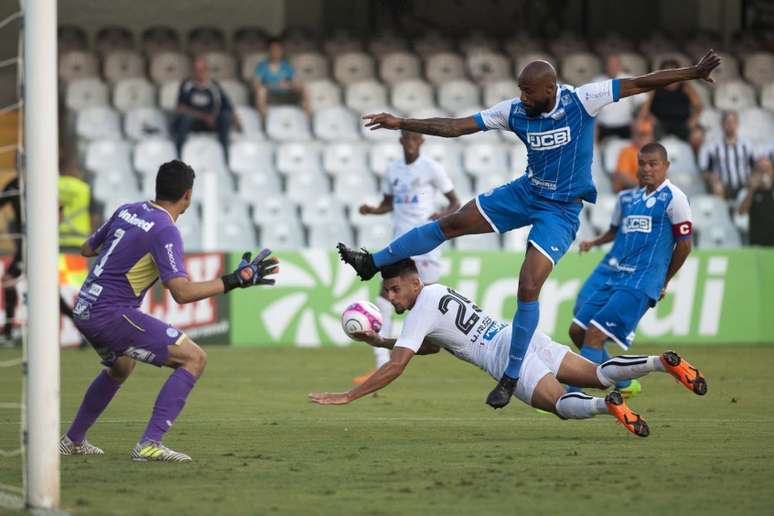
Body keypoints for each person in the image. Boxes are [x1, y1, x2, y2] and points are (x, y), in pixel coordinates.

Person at [337, 50, 720, 410]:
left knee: (528, 284)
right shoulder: (515, 111)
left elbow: (638, 83)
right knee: (448, 224)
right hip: (526, 192)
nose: (521, 97)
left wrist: (692, 73)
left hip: (561, 209)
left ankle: (512, 374)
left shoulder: (583, 99)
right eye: (520, 90)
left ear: (549, 90)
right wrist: (402, 122)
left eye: (527, 91)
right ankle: (372, 262)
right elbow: (457, 127)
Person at [309, 259, 707, 439]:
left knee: (562, 406)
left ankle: (609, 407)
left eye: (394, 289)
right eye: (387, 294)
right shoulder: (438, 292)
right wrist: (378, 339)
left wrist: (349, 395)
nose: (392, 299)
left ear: (413, 281)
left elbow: (398, 367)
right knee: (597, 373)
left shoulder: (418, 309)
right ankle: (660, 362)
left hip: (503, 358)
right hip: (520, 336)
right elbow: (431, 347)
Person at [58, 160, 279, 462]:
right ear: (187, 195)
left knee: (122, 366)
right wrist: (234, 281)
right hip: (109, 313)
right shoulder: (165, 229)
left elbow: (87, 249)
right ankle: (150, 444)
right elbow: (182, 293)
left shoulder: (128, 210)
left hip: (84, 307)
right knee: (194, 358)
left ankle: (73, 440)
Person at [569, 143, 694, 383]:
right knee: (577, 330)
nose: (647, 169)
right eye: (642, 164)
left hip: (641, 281)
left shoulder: (674, 198)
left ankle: (571, 393)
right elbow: (618, 233)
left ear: (666, 166)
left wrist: (663, 281)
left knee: (594, 334)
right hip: (617, 276)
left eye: (653, 164)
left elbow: (685, 246)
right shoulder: (634, 199)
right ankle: (623, 382)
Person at [353, 130, 460, 384]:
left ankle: (458, 347)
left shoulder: (432, 168)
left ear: (421, 142)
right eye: (407, 139)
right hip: (399, 247)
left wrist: (442, 213)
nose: (411, 144)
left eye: (415, 139)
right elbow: (389, 203)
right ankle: (382, 364)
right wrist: (373, 209)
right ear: (401, 141)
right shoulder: (393, 170)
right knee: (383, 301)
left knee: (430, 304)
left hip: (426, 244)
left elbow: (455, 202)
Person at [172, 57, 240, 157]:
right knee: (186, 117)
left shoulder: (214, 86)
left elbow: (227, 106)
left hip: (210, 124)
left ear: (207, 70)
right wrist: (204, 116)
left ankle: (224, 153)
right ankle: (179, 156)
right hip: (193, 123)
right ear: (193, 71)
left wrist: (236, 122)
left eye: (202, 69)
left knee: (225, 116)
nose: (200, 72)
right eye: (197, 70)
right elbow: (180, 108)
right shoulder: (187, 84)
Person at [637, 59, 704, 141]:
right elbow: (644, 110)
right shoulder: (654, 88)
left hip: (682, 125)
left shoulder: (686, 88)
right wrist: (652, 119)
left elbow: (699, 107)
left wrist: (693, 120)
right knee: (645, 134)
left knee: (697, 135)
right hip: (660, 126)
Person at [698, 110, 756, 200]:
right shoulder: (712, 146)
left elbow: (755, 167)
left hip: (744, 184)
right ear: (722, 124)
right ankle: (722, 212)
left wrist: (753, 178)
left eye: (733, 122)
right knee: (717, 187)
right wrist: (711, 177)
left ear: (737, 124)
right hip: (723, 186)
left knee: (754, 184)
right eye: (727, 122)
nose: (730, 125)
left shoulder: (747, 145)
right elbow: (704, 170)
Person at [253, 38, 309, 118]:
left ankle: (306, 119)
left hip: (286, 94)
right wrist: (275, 85)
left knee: (305, 89)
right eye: (273, 49)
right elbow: (256, 85)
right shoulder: (262, 66)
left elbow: (296, 82)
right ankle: (263, 120)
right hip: (270, 95)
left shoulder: (287, 66)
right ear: (268, 51)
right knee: (260, 92)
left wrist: (290, 85)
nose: (276, 52)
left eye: (278, 50)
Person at [593, 54, 641, 141]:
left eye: (615, 65)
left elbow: (644, 100)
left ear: (619, 66)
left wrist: (639, 119)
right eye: (610, 65)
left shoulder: (629, 79)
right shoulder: (596, 82)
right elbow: (592, 106)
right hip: (604, 127)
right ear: (605, 67)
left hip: (625, 126)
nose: (612, 68)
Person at [737, 157, 774, 246]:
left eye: (767, 170)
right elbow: (741, 212)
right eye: (760, 171)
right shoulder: (746, 192)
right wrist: (752, 190)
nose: (764, 174)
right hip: (757, 243)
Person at [612, 120, 654, 192]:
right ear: (633, 136)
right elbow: (623, 176)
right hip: (630, 192)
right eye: (640, 135)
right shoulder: (626, 152)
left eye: (646, 135)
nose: (643, 139)